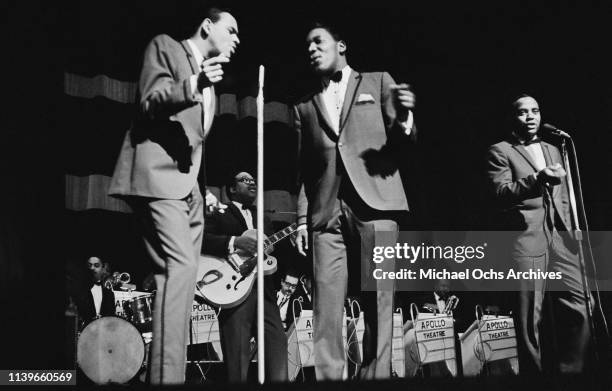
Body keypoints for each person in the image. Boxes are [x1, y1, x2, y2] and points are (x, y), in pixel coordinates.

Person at [107, 7, 240, 385]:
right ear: (206, 26)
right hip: (158, 181)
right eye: (231, 30)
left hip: (189, 192)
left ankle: (165, 376)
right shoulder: (166, 48)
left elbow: (194, 141)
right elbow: (149, 100)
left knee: (177, 277)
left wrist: (203, 194)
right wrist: (193, 85)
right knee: (181, 267)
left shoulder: (210, 82)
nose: (237, 39)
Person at [293, 21, 417, 380]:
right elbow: (304, 170)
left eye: (318, 41)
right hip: (324, 212)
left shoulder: (377, 81)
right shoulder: (303, 105)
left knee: (379, 299)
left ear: (341, 45)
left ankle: (375, 375)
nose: (312, 49)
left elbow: (401, 141)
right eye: (307, 46)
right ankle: (330, 377)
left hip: (375, 203)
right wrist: (303, 218)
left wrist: (406, 117)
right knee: (325, 305)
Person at [486, 94, 590, 374]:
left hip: (561, 237)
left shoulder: (556, 149)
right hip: (528, 237)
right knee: (530, 317)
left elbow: (565, 198)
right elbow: (500, 193)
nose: (530, 116)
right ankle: (535, 378)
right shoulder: (501, 151)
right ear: (512, 118)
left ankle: (571, 371)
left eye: (535, 111)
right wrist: (537, 178)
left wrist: (571, 231)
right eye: (522, 112)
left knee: (580, 304)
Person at [203, 171, 288, 382]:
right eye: (245, 180)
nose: (252, 183)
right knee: (237, 362)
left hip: (266, 292)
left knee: (277, 351)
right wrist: (234, 242)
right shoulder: (219, 213)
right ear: (231, 189)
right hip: (235, 293)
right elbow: (201, 240)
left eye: (253, 180)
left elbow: (277, 251)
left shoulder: (264, 217)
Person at [72, 256, 116, 326]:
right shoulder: (79, 290)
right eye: (89, 265)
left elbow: (111, 319)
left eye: (96, 265)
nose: (92, 268)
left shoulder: (109, 294)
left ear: (103, 268)